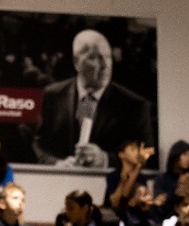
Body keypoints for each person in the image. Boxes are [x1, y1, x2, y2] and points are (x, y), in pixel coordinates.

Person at [35, 30, 153, 167]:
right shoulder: (53, 95)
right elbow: (38, 145)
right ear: (76, 62)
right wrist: (57, 164)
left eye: (108, 57)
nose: (105, 65)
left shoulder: (135, 105)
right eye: (94, 57)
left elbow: (148, 154)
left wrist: (106, 160)